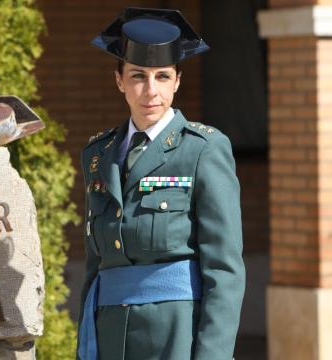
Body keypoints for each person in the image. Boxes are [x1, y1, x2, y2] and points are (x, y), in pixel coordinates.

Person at [77, 7, 245, 360]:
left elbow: (224, 268)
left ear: (177, 81)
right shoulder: (98, 154)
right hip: (109, 332)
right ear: (120, 80)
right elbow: (96, 266)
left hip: (175, 333)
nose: (150, 91)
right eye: (138, 76)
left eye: (163, 77)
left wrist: (212, 355)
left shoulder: (203, 150)